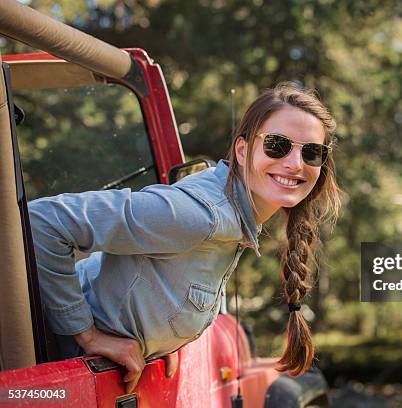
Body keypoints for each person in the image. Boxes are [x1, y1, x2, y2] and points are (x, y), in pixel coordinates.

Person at [28, 81, 342, 393]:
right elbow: (42, 221)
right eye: (277, 144)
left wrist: (166, 342)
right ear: (243, 151)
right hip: (47, 360)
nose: (295, 163)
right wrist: (89, 336)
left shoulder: (235, 214)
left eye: (312, 152)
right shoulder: (201, 215)